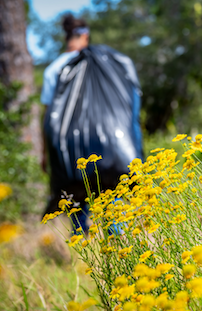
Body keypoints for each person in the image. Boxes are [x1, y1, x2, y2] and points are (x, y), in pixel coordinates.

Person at [41, 14, 143, 233]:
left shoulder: (54, 69)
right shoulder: (107, 61)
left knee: (75, 198)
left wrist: (44, 154)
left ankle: (83, 253)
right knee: (110, 193)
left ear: (66, 36)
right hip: (108, 150)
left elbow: (49, 118)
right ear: (85, 35)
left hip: (68, 151)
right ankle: (119, 250)